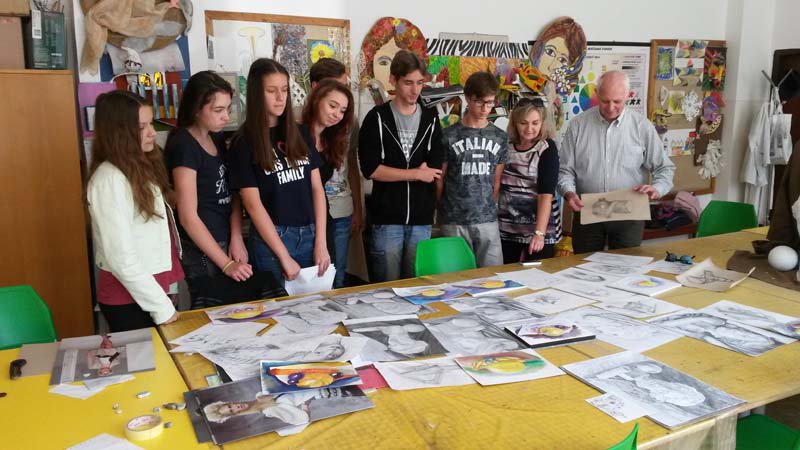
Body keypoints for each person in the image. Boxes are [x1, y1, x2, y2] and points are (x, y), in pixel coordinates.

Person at [228, 58, 330, 286]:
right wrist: (283, 255)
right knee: (276, 305)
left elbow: (317, 189)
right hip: (272, 239)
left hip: (310, 233)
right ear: (256, 93)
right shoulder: (243, 142)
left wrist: (321, 242)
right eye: (271, 91)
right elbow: (252, 205)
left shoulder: (301, 133)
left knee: (315, 304)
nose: (280, 97)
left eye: (284, 90)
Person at [86, 90, 181, 332]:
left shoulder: (141, 166)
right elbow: (121, 257)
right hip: (129, 299)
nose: (152, 133)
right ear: (119, 133)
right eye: (142, 127)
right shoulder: (109, 179)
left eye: (151, 124)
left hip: (154, 289)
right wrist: (161, 307)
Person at [558, 70, 675, 253]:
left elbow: (664, 168)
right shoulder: (578, 125)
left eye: (617, 101)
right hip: (587, 212)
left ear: (628, 96)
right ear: (596, 94)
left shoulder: (642, 127)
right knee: (584, 265)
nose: (611, 107)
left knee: (627, 265)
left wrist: (657, 189)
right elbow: (565, 170)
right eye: (605, 101)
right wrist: (569, 193)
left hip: (629, 214)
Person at [165, 71, 253, 309]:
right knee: (212, 310)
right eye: (218, 110)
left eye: (227, 109)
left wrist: (236, 236)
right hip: (201, 248)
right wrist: (226, 264)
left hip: (224, 237)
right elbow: (188, 216)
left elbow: (232, 192)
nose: (226, 116)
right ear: (196, 108)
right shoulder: (184, 145)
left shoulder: (216, 137)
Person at [358, 50, 446, 282]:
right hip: (387, 220)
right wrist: (416, 173)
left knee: (417, 286)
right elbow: (371, 169)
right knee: (386, 288)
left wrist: (397, 172)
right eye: (408, 83)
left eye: (420, 83)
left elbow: (434, 167)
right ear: (393, 80)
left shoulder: (431, 118)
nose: (415, 90)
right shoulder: (376, 118)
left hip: (421, 219)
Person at [437, 71, 507, 267]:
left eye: (490, 102)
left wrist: (486, 206)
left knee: (492, 277)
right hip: (454, 220)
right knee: (455, 277)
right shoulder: (448, 135)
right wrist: (444, 210)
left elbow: (496, 181)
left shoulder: (500, 137)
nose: (485, 108)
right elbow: (440, 179)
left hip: (487, 219)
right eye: (479, 102)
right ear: (468, 98)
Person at [303, 58, 361, 288]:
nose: (337, 112)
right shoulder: (295, 130)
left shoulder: (335, 133)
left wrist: (358, 208)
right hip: (301, 220)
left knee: (335, 277)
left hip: (335, 211)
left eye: (343, 109)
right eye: (333, 104)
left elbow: (352, 166)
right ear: (317, 90)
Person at [498, 97, 561, 263]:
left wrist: (539, 234)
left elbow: (546, 195)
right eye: (523, 123)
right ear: (515, 123)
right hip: (508, 226)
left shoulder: (547, 148)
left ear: (542, 123)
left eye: (535, 123)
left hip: (538, 228)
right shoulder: (506, 146)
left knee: (537, 274)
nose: (529, 129)